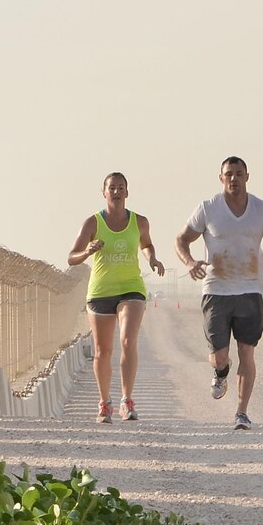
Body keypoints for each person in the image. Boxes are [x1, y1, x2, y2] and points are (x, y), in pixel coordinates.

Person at [175, 156, 263, 430]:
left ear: (247, 177)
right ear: (221, 178)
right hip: (216, 291)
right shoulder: (208, 208)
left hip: (250, 290)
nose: (234, 178)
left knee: (247, 352)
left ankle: (241, 412)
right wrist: (190, 262)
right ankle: (221, 372)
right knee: (219, 356)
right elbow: (181, 239)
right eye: (228, 174)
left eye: (238, 173)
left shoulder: (262, 209)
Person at [67, 171, 165, 422]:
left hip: (131, 287)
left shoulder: (139, 221)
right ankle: (104, 403)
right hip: (100, 291)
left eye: (121, 187)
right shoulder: (93, 223)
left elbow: (146, 244)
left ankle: (126, 400)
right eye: (112, 188)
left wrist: (152, 258)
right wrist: (87, 251)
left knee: (128, 341)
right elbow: (72, 257)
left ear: (127, 192)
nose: (117, 192)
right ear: (104, 193)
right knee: (102, 350)